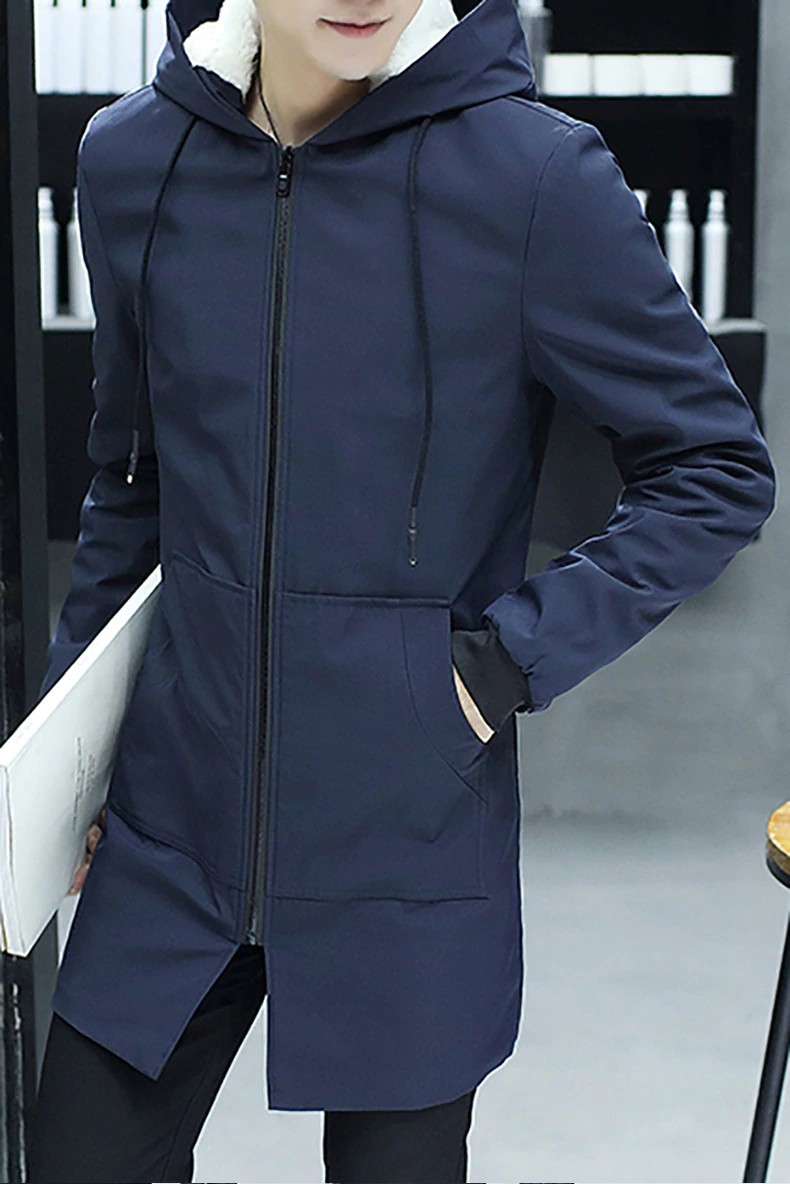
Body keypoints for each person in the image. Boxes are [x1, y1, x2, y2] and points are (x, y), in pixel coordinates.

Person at [27, 0, 776, 1180]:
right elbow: (130, 484)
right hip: (172, 823)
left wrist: (495, 666)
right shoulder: (134, 161)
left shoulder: (532, 179)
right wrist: (64, 763)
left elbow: (715, 468)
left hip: (405, 834)